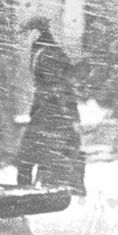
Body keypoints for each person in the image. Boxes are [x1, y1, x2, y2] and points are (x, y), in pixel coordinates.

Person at [16, 17, 86, 196]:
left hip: (52, 110)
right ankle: (29, 190)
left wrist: (70, 115)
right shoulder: (43, 50)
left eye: (28, 32)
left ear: (36, 33)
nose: (24, 37)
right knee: (38, 152)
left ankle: (30, 191)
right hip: (47, 108)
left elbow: (59, 86)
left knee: (34, 152)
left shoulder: (48, 54)